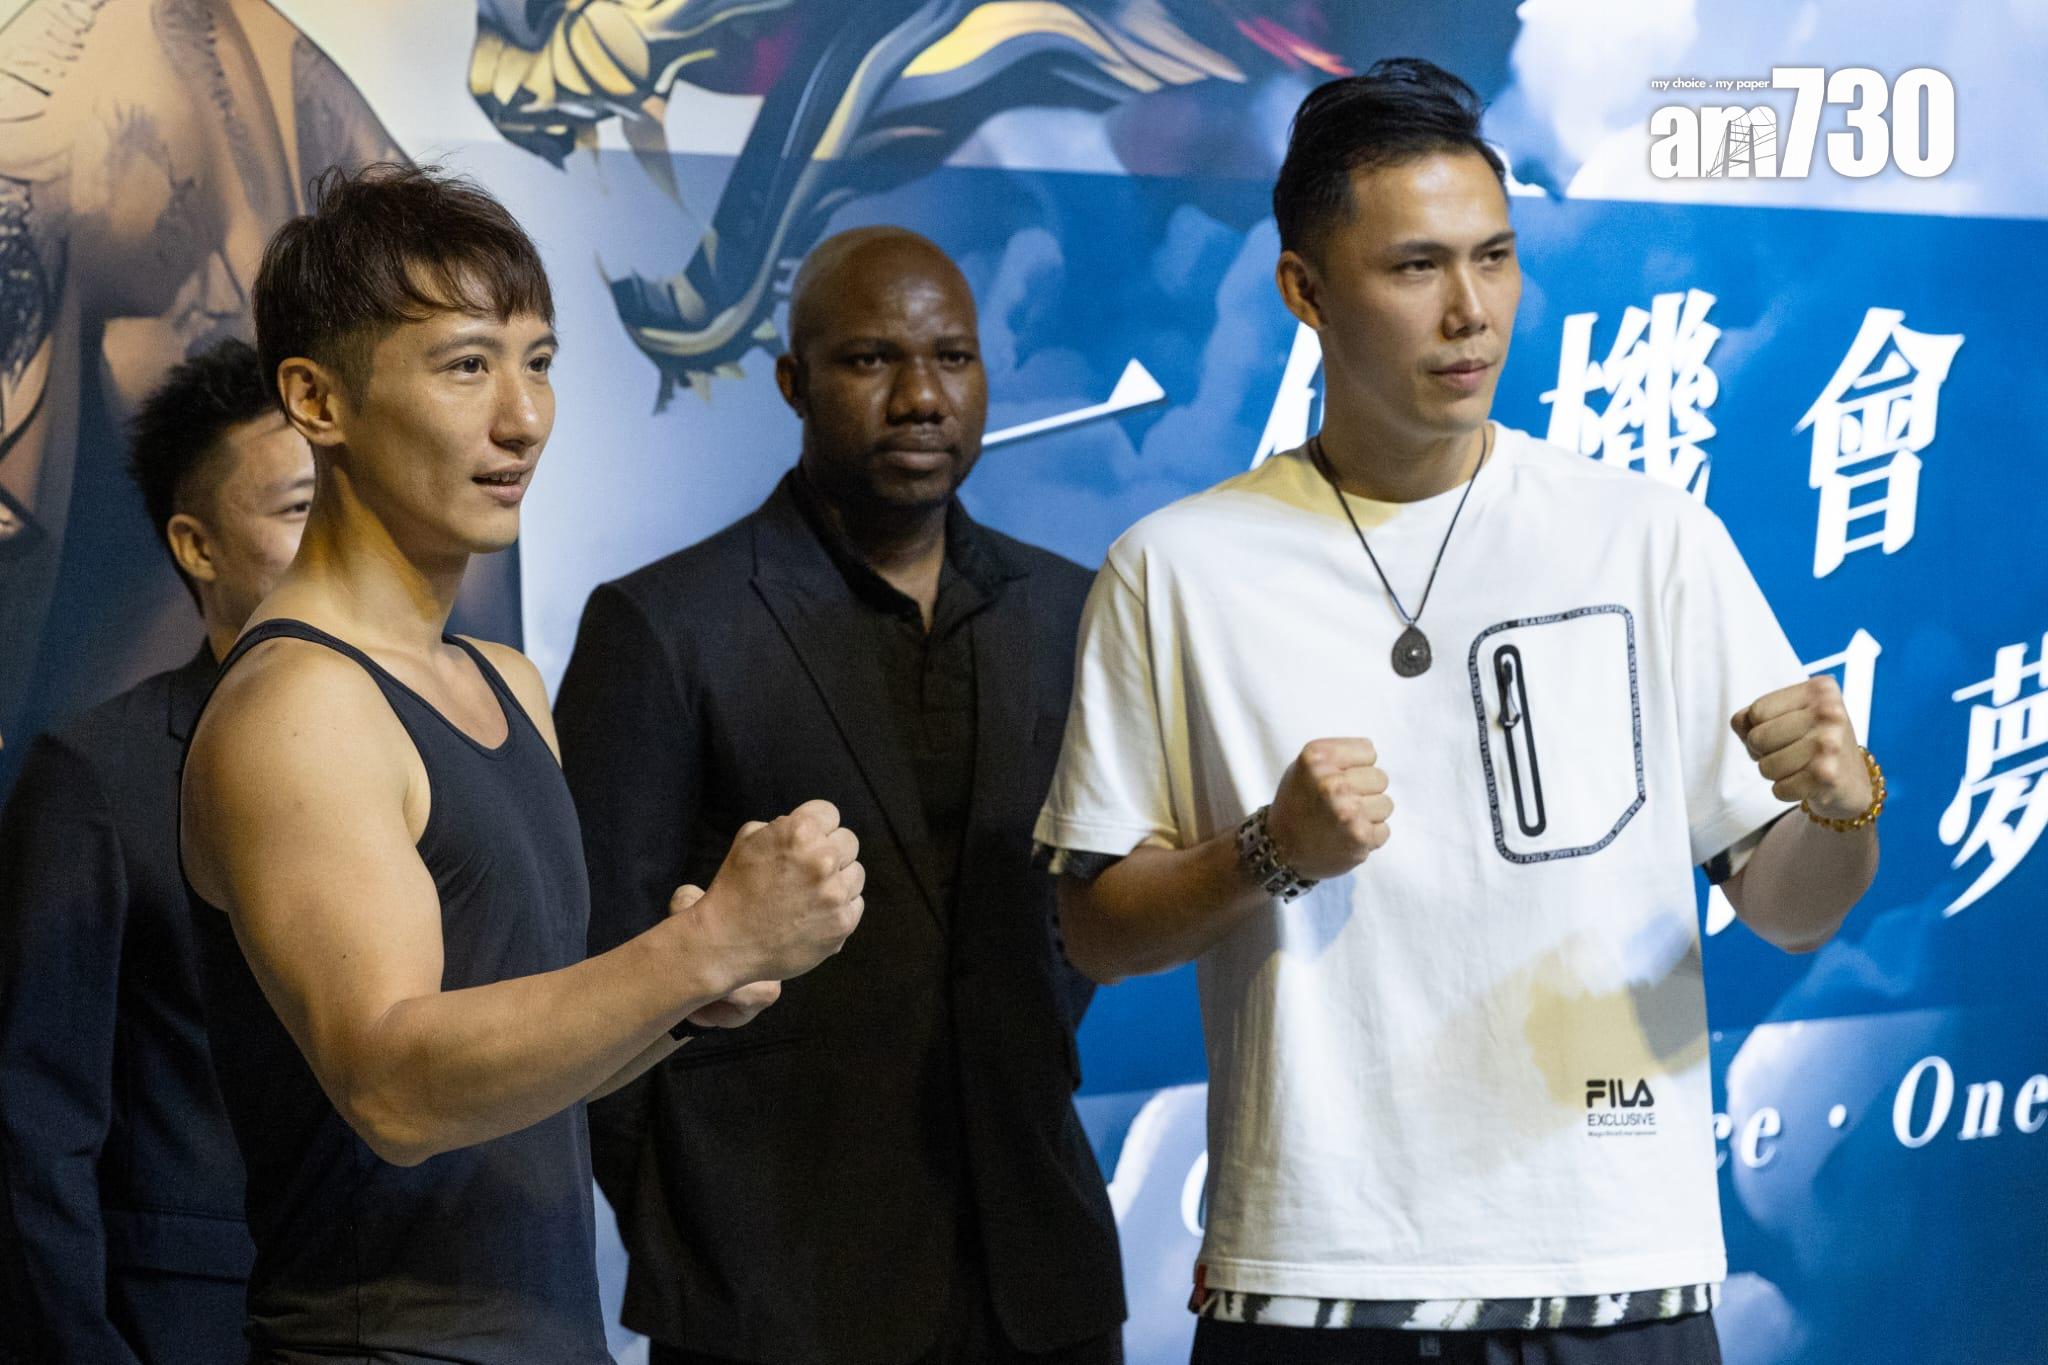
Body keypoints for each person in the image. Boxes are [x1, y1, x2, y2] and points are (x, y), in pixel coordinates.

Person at [1035, 60, 1881, 1365]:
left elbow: (1787, 906)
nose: (1470, 311)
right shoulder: (1177, 568)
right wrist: (1271, 851)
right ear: (1304, 290)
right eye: (1415, 267)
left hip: (1617, 1283)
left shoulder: (1648, 537)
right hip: (1316, 1290)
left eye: (1494, 257)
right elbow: (1094, 927)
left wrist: (1840, 809)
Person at [177, 163, 866, 1363]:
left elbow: (516, 1076)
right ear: (316, 400)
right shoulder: (299, 706)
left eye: (537, 362)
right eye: (464, 365)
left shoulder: (504, 681)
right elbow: (394, 1089)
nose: (524, 418)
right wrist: (704, 945)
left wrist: (683, 1002)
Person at [553, 226, 1125, 1365]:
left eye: (952, 358)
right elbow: (592, 970)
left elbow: (1078, 916)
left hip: (1036, 1265)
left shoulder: (1068, 610)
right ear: (792, 382)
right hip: (772, 1288)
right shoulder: (665, 626)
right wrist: (696, 1231)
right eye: (871, 359)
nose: (921, 397)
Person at [0, 339, 309, 1364]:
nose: (338, 545)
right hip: (193, 1323)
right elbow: (35, 1123)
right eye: (300, 508)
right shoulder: (96, 776)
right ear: (197, 544)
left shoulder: (447, 745)